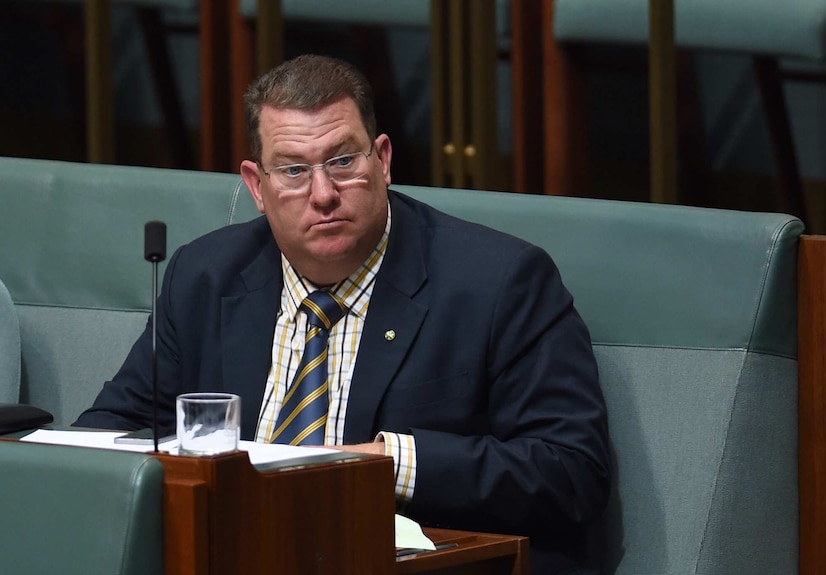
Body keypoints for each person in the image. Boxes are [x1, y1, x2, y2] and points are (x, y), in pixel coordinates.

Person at [75, 54, 610, 574]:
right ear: (257, 187)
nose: (324, 194)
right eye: (293, 171)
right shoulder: (204, 276)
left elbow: (571, 471)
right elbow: (111, 433)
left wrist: (386, 463)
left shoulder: (499, 282)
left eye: (342, 161)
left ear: (382, 159)